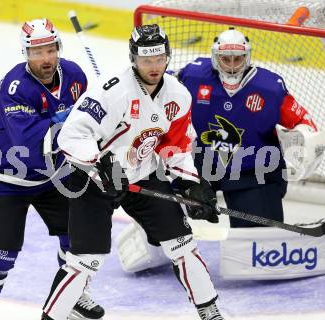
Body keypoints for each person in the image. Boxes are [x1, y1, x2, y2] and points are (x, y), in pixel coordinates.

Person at [40, 24, 225, 320]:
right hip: (94, 180)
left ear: (168, 57)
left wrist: (191, 183)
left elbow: (175, 147)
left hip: (142, 176)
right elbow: (70, 136)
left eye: (159, 58)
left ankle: (210, 311)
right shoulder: (112, 92)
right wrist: (98, 161)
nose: (153, 66)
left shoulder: (178, 95)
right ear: (133, 59)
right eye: (146, 60)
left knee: (183, 245)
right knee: (85, 261)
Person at [0, 18, 104, 320]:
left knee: (79, 244)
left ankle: (71, 298)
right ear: (26, 53)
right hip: (8, 177)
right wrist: (69, 118)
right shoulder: (13, 86)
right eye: (37, 51)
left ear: (58, 48)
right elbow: (29, 144)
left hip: (53, 174)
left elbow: (88, 128)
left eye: (50, 49)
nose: (46, 58)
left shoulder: (76, 76)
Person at [177, 27, 325, 228]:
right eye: (225, 59)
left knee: (257, 238)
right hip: (201, 165)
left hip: (252, 171)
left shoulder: (269, 88)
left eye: (237, 59)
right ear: (215, 58)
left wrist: (301, 143)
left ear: (247, 58)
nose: (231, 66)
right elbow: (159, 88)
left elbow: (306, 125)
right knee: (163, 206)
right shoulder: (194, 77)